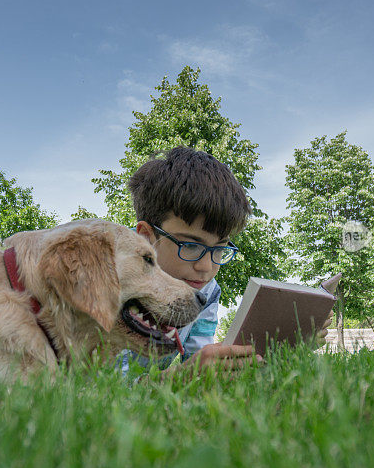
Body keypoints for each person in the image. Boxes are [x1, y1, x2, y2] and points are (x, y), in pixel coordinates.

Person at [118, 146, 330, 376]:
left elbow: (200, 362)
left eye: (219, 249)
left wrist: (288, 348)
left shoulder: (206, 290)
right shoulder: (103, 279)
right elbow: (97, 389)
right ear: (145, 237)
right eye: (190, 246)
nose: (206, 268)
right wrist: (179, 377)